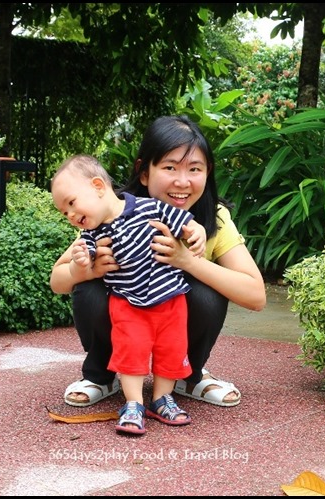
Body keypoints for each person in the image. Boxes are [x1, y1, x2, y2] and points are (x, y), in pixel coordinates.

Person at [50, 115, 266, 410]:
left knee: (206, 292)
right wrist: (88, 269)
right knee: (89, 289)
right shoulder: (114, 214)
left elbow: (255, 296)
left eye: (194, 169)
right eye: (169, 167)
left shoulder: (212, 218)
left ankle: (188, 375)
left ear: (208, 172)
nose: (182, 181)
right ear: (144, 172)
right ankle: (102, 375)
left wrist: (187, 261)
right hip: (126, 317)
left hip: (173, 315)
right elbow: (58, 279)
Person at [50, 154, 207, 435]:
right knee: (130, 352)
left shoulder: (150, 207)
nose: (71, 215)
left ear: (98, 186)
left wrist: (197, 231)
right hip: (127, 304)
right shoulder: (92, 234)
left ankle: (162, 398)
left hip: (171, 298)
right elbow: (79, 261)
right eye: (65, 213)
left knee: (171, 350)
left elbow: (184, 221)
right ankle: (133, 403)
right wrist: (81, 263)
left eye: (72, 203)